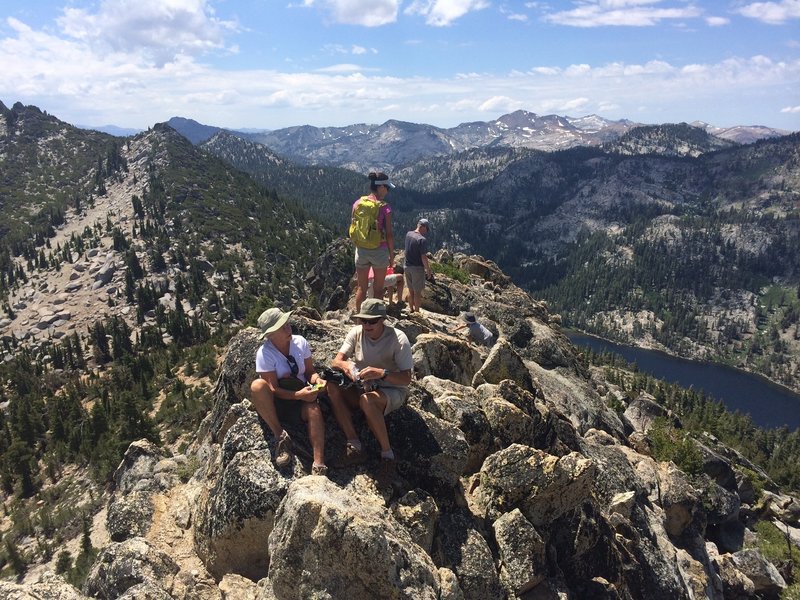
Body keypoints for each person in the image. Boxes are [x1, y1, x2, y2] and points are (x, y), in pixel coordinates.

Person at [326, 298, 413, 473]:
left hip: (391, 389)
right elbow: (337, 360)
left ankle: (387, 455)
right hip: (362, 385)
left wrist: (382, 374)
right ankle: (354, 443)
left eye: (372, 321)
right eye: (363, 320)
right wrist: (348, 367)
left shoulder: (398, 339)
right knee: (331, 386)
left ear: (382, 320)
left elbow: (406, 379)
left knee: (367, 401)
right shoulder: (356, 333)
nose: (367, 325)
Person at [250, 307, 328, 476]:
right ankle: (280, 436)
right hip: (279, 401)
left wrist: (317, 381)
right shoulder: (265, 354)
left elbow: (309, 372)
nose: (288, 328)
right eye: (282, 327)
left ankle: (319, 463)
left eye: (287, 324)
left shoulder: (300, 342)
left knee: (314, 410)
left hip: (300, 395)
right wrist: (298, 395)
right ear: (270, 335)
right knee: (257, 386)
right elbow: (272, 389)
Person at [350, 172, 396, 314]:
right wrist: (391, 254)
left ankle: (359, 319)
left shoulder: (357, 203)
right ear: (381, 187)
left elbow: (354, 227)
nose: (388, 191)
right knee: (378, 288)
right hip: (379, 250)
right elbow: (389, 234)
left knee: (362, 288)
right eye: (387, 188)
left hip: (361, 250)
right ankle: (376, 318)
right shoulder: (384, 207)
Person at [404, 218, 433, 313]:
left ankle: (411, 309)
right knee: (417, 292)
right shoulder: (421, 239)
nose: (426, 231)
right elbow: (423, 257)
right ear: (423, 226)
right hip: (417, 268)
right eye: (427, 229)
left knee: (410, 289)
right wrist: (428, 270)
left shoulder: (408, 234)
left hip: (407, 266)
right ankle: (416, 312)